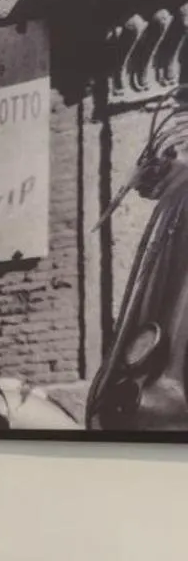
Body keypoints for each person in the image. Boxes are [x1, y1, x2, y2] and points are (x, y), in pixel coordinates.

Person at [88, 103, 188, 429]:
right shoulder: (178, 125)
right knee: (162, 303)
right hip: (174, 228)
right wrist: (156, 169)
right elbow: (154, 186)